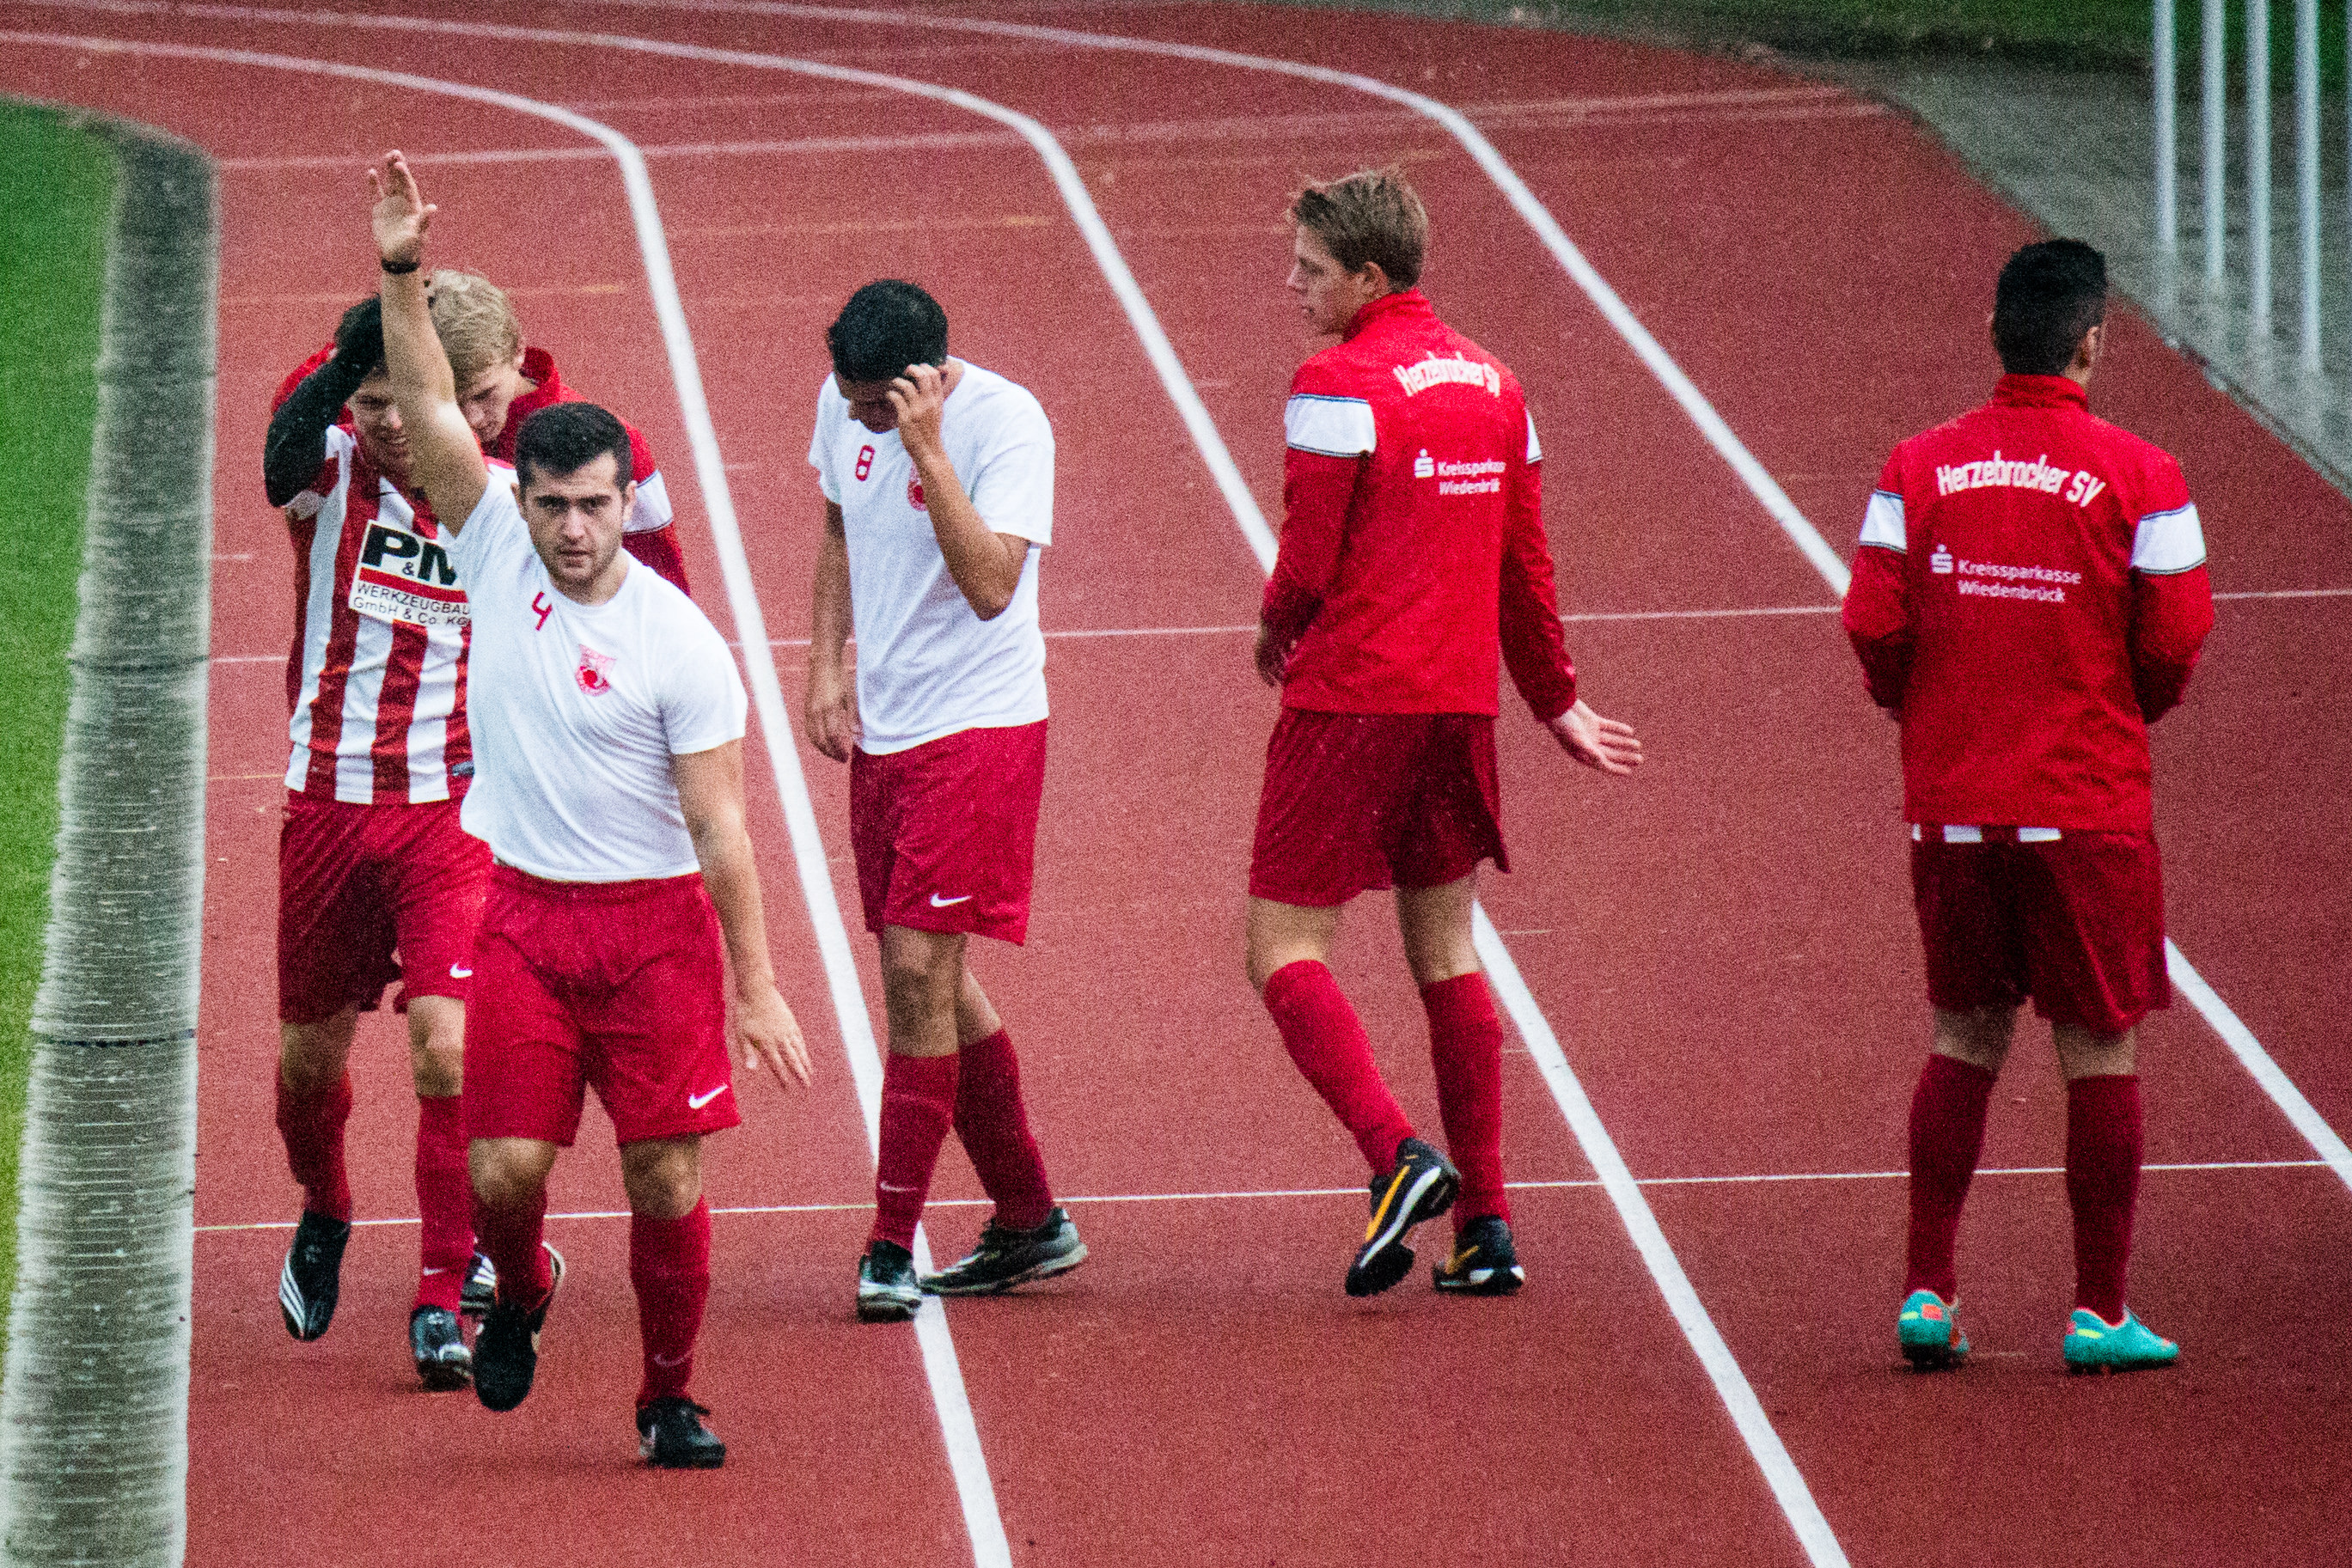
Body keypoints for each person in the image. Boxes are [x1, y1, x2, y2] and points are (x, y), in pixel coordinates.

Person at [366, 149, 812, 1465]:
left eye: (594, 507)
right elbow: (429, 400)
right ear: (524, 497)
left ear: (628, 502)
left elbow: (721, 829)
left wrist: (758, 983)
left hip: (655, 932)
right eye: (553, 505)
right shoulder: (490, 546)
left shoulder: (684, 646)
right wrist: (400, 266)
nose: (571, 529)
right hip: (524, 920)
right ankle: (521, 1286)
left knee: (663, 1176)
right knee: (504, 1170)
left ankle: (668, 1394)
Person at [1245, 169, 1642, 1299]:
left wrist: (1274, 629)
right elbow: (1526, 563)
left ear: (1370, 276)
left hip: (1350, 700)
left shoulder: (1335, 382)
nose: (1293, 286)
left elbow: (1309, 556)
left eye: (1310, 269)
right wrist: (1554, 699)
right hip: (1457, 707)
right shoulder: (1498, 386)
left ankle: (1396, 1154)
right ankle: (1487, 1228)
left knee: (1280, 947)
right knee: (1447, 951)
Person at [1842, 238, 2214, 1375]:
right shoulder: (2147, 475)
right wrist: (2118, 708)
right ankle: (2098, 1311)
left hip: (1953, 803)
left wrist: (1922, 706)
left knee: (1962, 1032)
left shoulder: (1914, 466)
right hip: (2086, 805)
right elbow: (2174, 640)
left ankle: (1927, 1292)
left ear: (1994, 333)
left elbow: (1872, 621)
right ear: (2091, 342)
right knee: (2097, 1045)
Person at [803, 280, 1084, 1323]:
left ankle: (888, 1244)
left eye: (877, 403)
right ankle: (1030, 1217)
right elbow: (837, 528)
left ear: (924, 380)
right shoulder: (843, 399)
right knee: (930, 974)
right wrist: (823, 662)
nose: (858, 416)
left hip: (980, 729)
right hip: (889, 726)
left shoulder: (1007, 424)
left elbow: (991, 584)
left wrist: (925, 450)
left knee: (919, 974)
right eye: (848, 397)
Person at [261, 292, 499, 1391]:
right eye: (370, 403)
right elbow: (277, 457)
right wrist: (357, 348)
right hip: (327, 802)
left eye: (409, 400)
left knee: (447, 1048)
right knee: (306, 1068)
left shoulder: (494, 492)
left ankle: (442, 1291)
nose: (391, 422)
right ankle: (327, 1203)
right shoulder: (327, 468)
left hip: (450, 810)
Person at [274, 271, 693, 595]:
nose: (472, 419)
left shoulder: (605, 448)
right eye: (452, 400)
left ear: (519, 352)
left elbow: (660, 583)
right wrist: (381, 334)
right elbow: (290, 416)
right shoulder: (393, 402)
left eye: (484, 394)